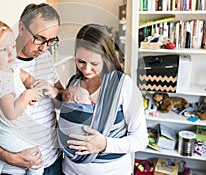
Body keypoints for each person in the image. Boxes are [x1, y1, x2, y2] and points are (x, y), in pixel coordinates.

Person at [0, 3, 64, 175]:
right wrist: (8, 156)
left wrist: (55, 92)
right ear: (22, 28)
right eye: (39, 38)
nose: (44, 48)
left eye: (51, 41)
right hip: (13, 169)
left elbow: (61, 101)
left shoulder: (45, 58)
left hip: (52, 162)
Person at [58, 23, 148, 175]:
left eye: (94, 63)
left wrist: (105, 144)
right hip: (69, 170)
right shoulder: (74, 82)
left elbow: (141, 140)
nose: (86, 69)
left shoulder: (124, 86)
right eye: (81, 62)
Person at [0, 18, 46, 175]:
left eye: (12, 46)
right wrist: (28, 95)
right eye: (2, 49)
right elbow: (11, 113)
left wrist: (33, 86)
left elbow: (26, 77)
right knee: (37, 161)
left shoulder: (8, 66)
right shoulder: (0, 78)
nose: (11, 52)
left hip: (0, 129)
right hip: (8, 131)